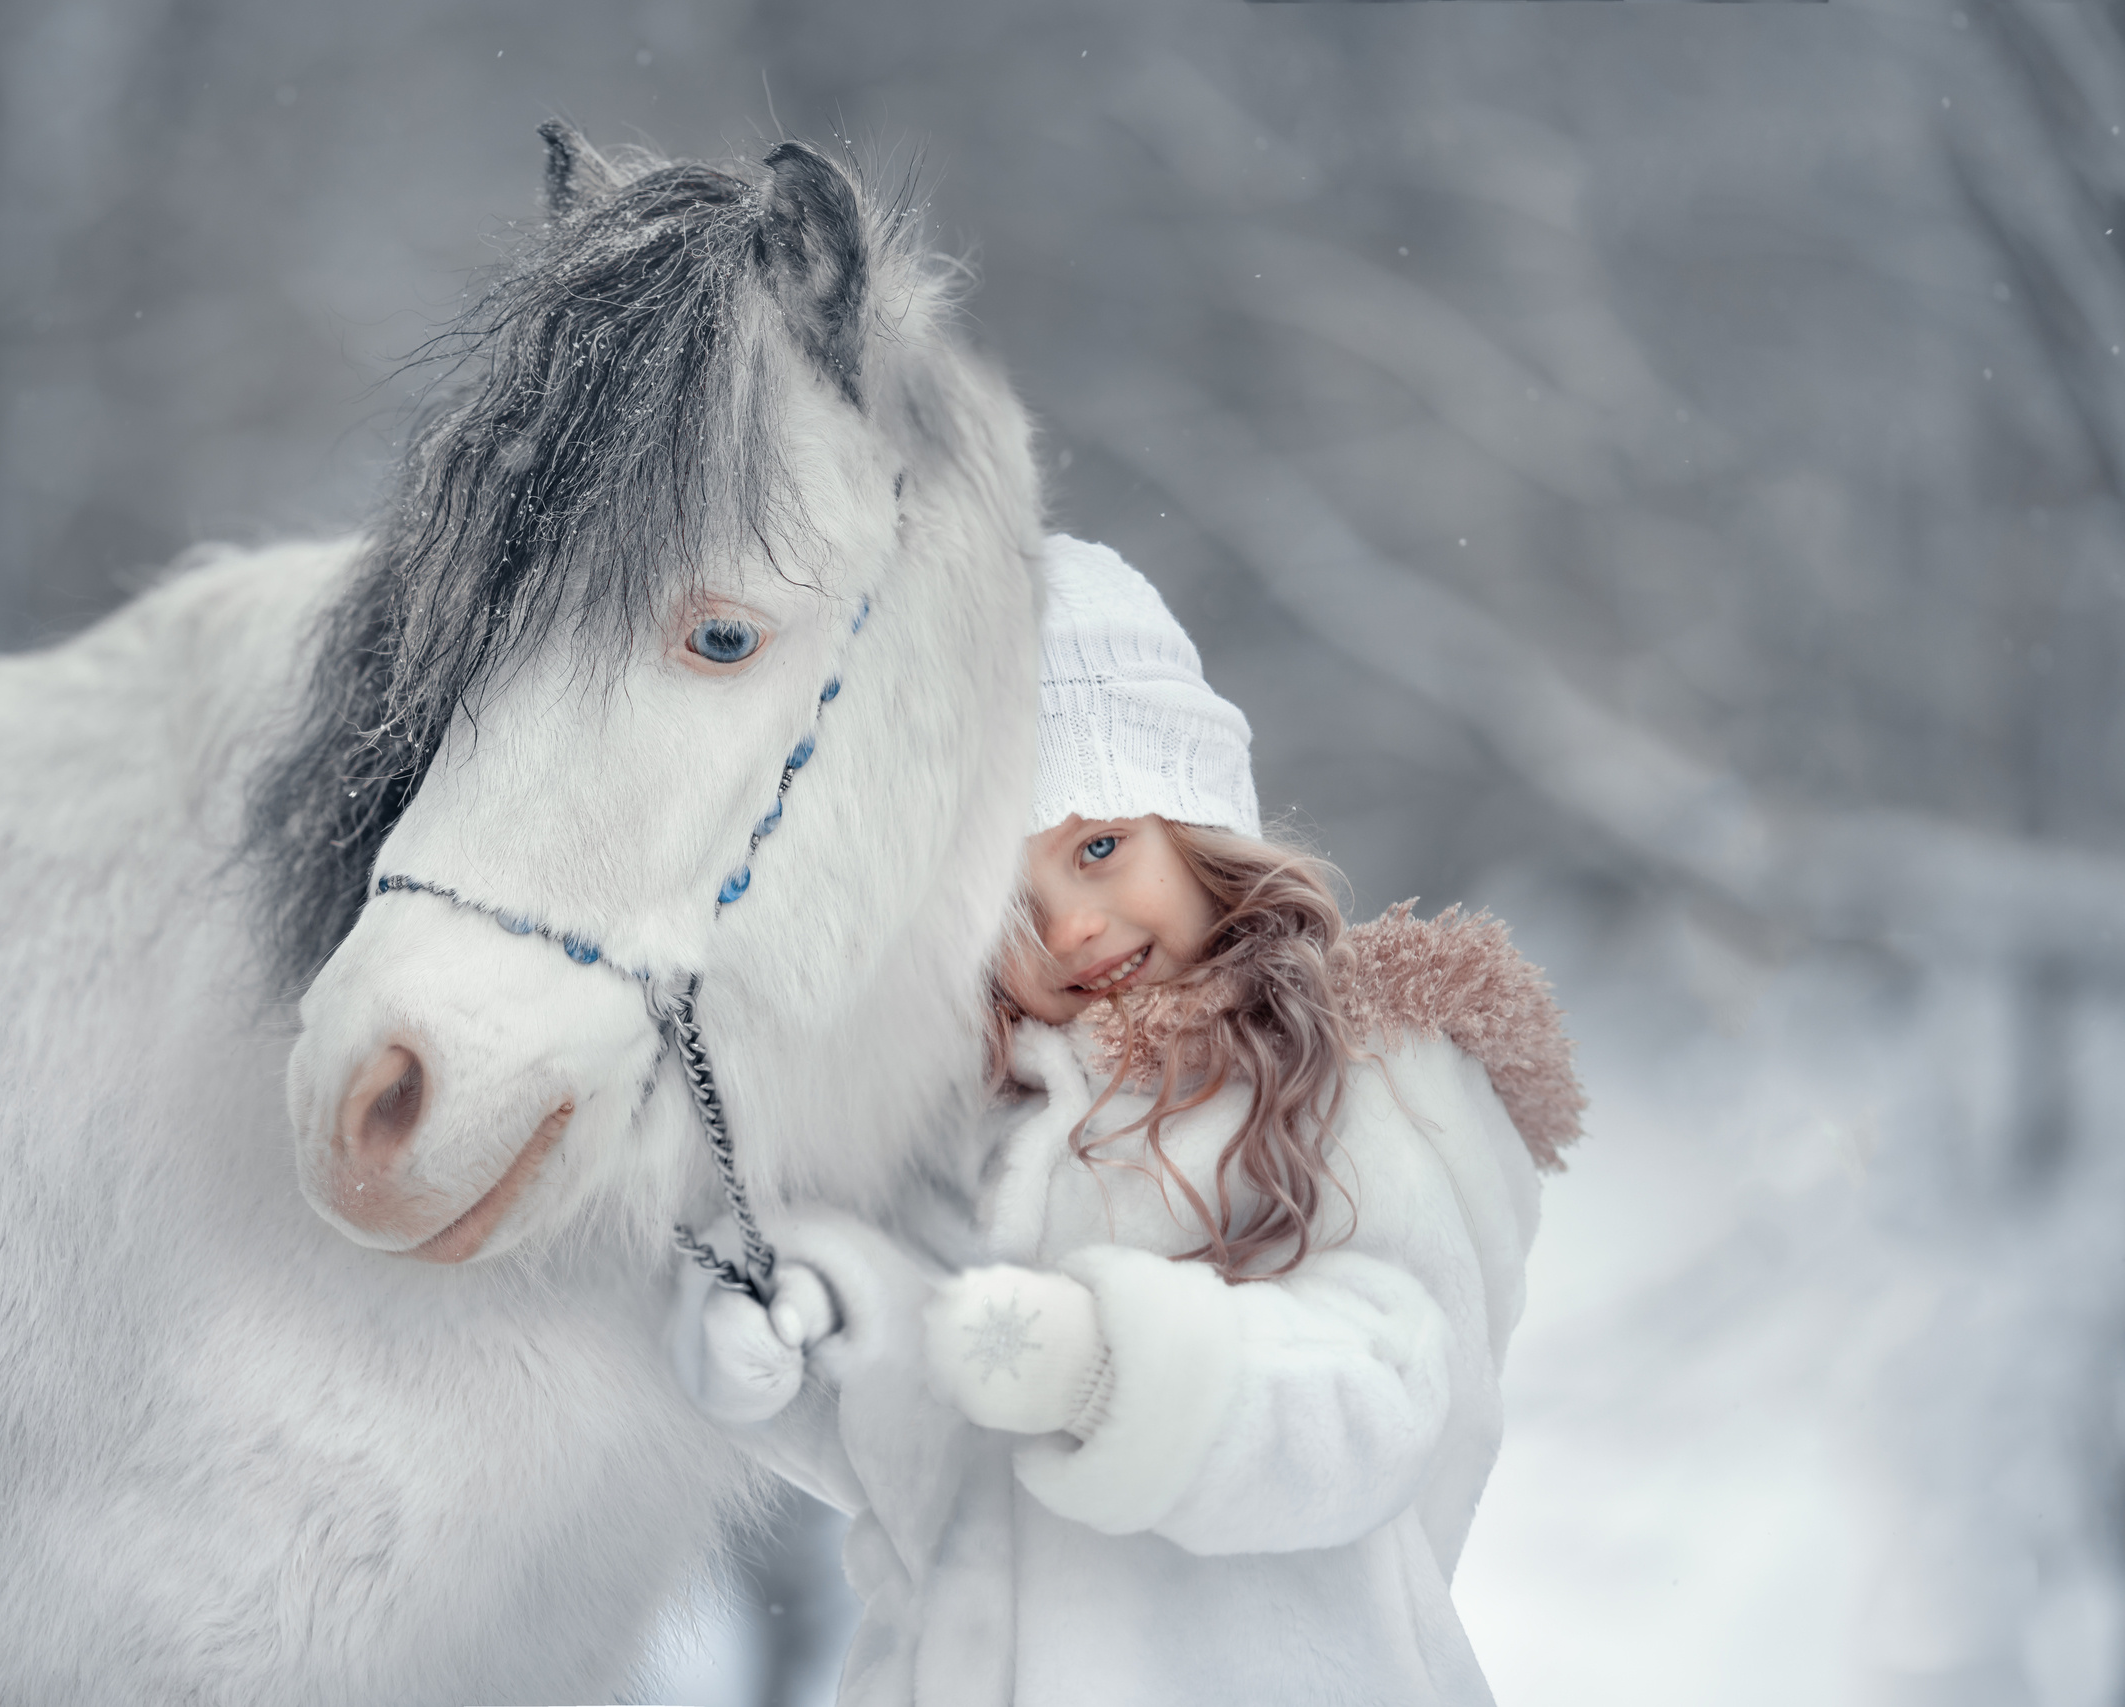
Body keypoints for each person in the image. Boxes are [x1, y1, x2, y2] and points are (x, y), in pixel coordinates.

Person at [672, 534, 1583, 1706]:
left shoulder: (1337, 1075)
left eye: (1099, 848)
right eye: (1001, 901)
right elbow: (923, 1461)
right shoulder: (964, 1128)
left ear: (1193, 816)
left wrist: (1116, 1370)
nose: (1071, 929)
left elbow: (1381, 1398)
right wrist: (787, 1363)